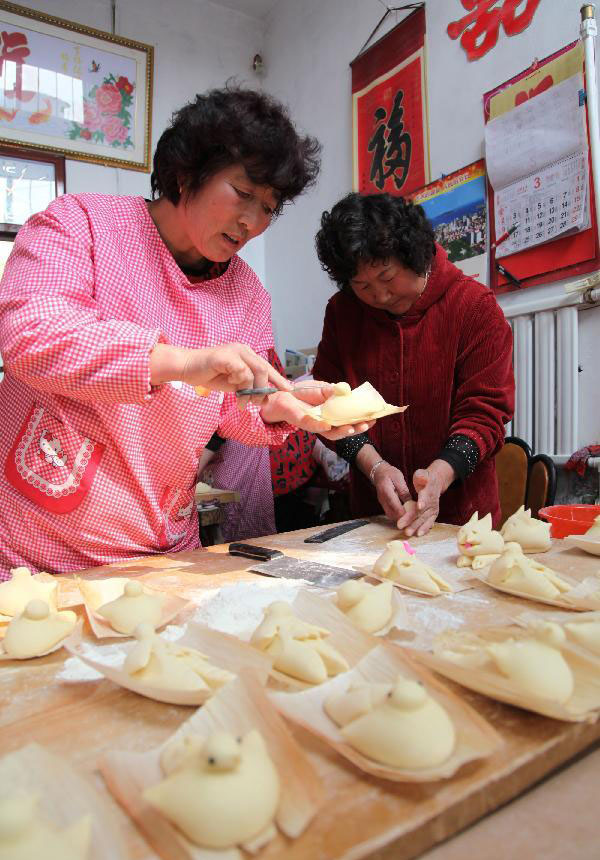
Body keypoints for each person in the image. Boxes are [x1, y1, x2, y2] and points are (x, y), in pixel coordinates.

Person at [0, 86, 370, 578]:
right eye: (242, 193)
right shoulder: (82, 224)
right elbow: (30, 334)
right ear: (185, 172)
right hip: (42, 536)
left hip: (161, 545)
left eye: (268, 206)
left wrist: (286, 406)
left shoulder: (247, 294)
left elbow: (236, 406)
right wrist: (183, 362)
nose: (251, 221)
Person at [313, 192, 515, 536]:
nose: (378, 296)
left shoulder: (474, 307)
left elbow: (485, 413)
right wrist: (375, 467)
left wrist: (441, 472)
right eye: (361, 285)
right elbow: (328, 408)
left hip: (462, 523)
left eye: (387, 277)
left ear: (414, 255)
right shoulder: (343, 312)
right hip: (375, 519)